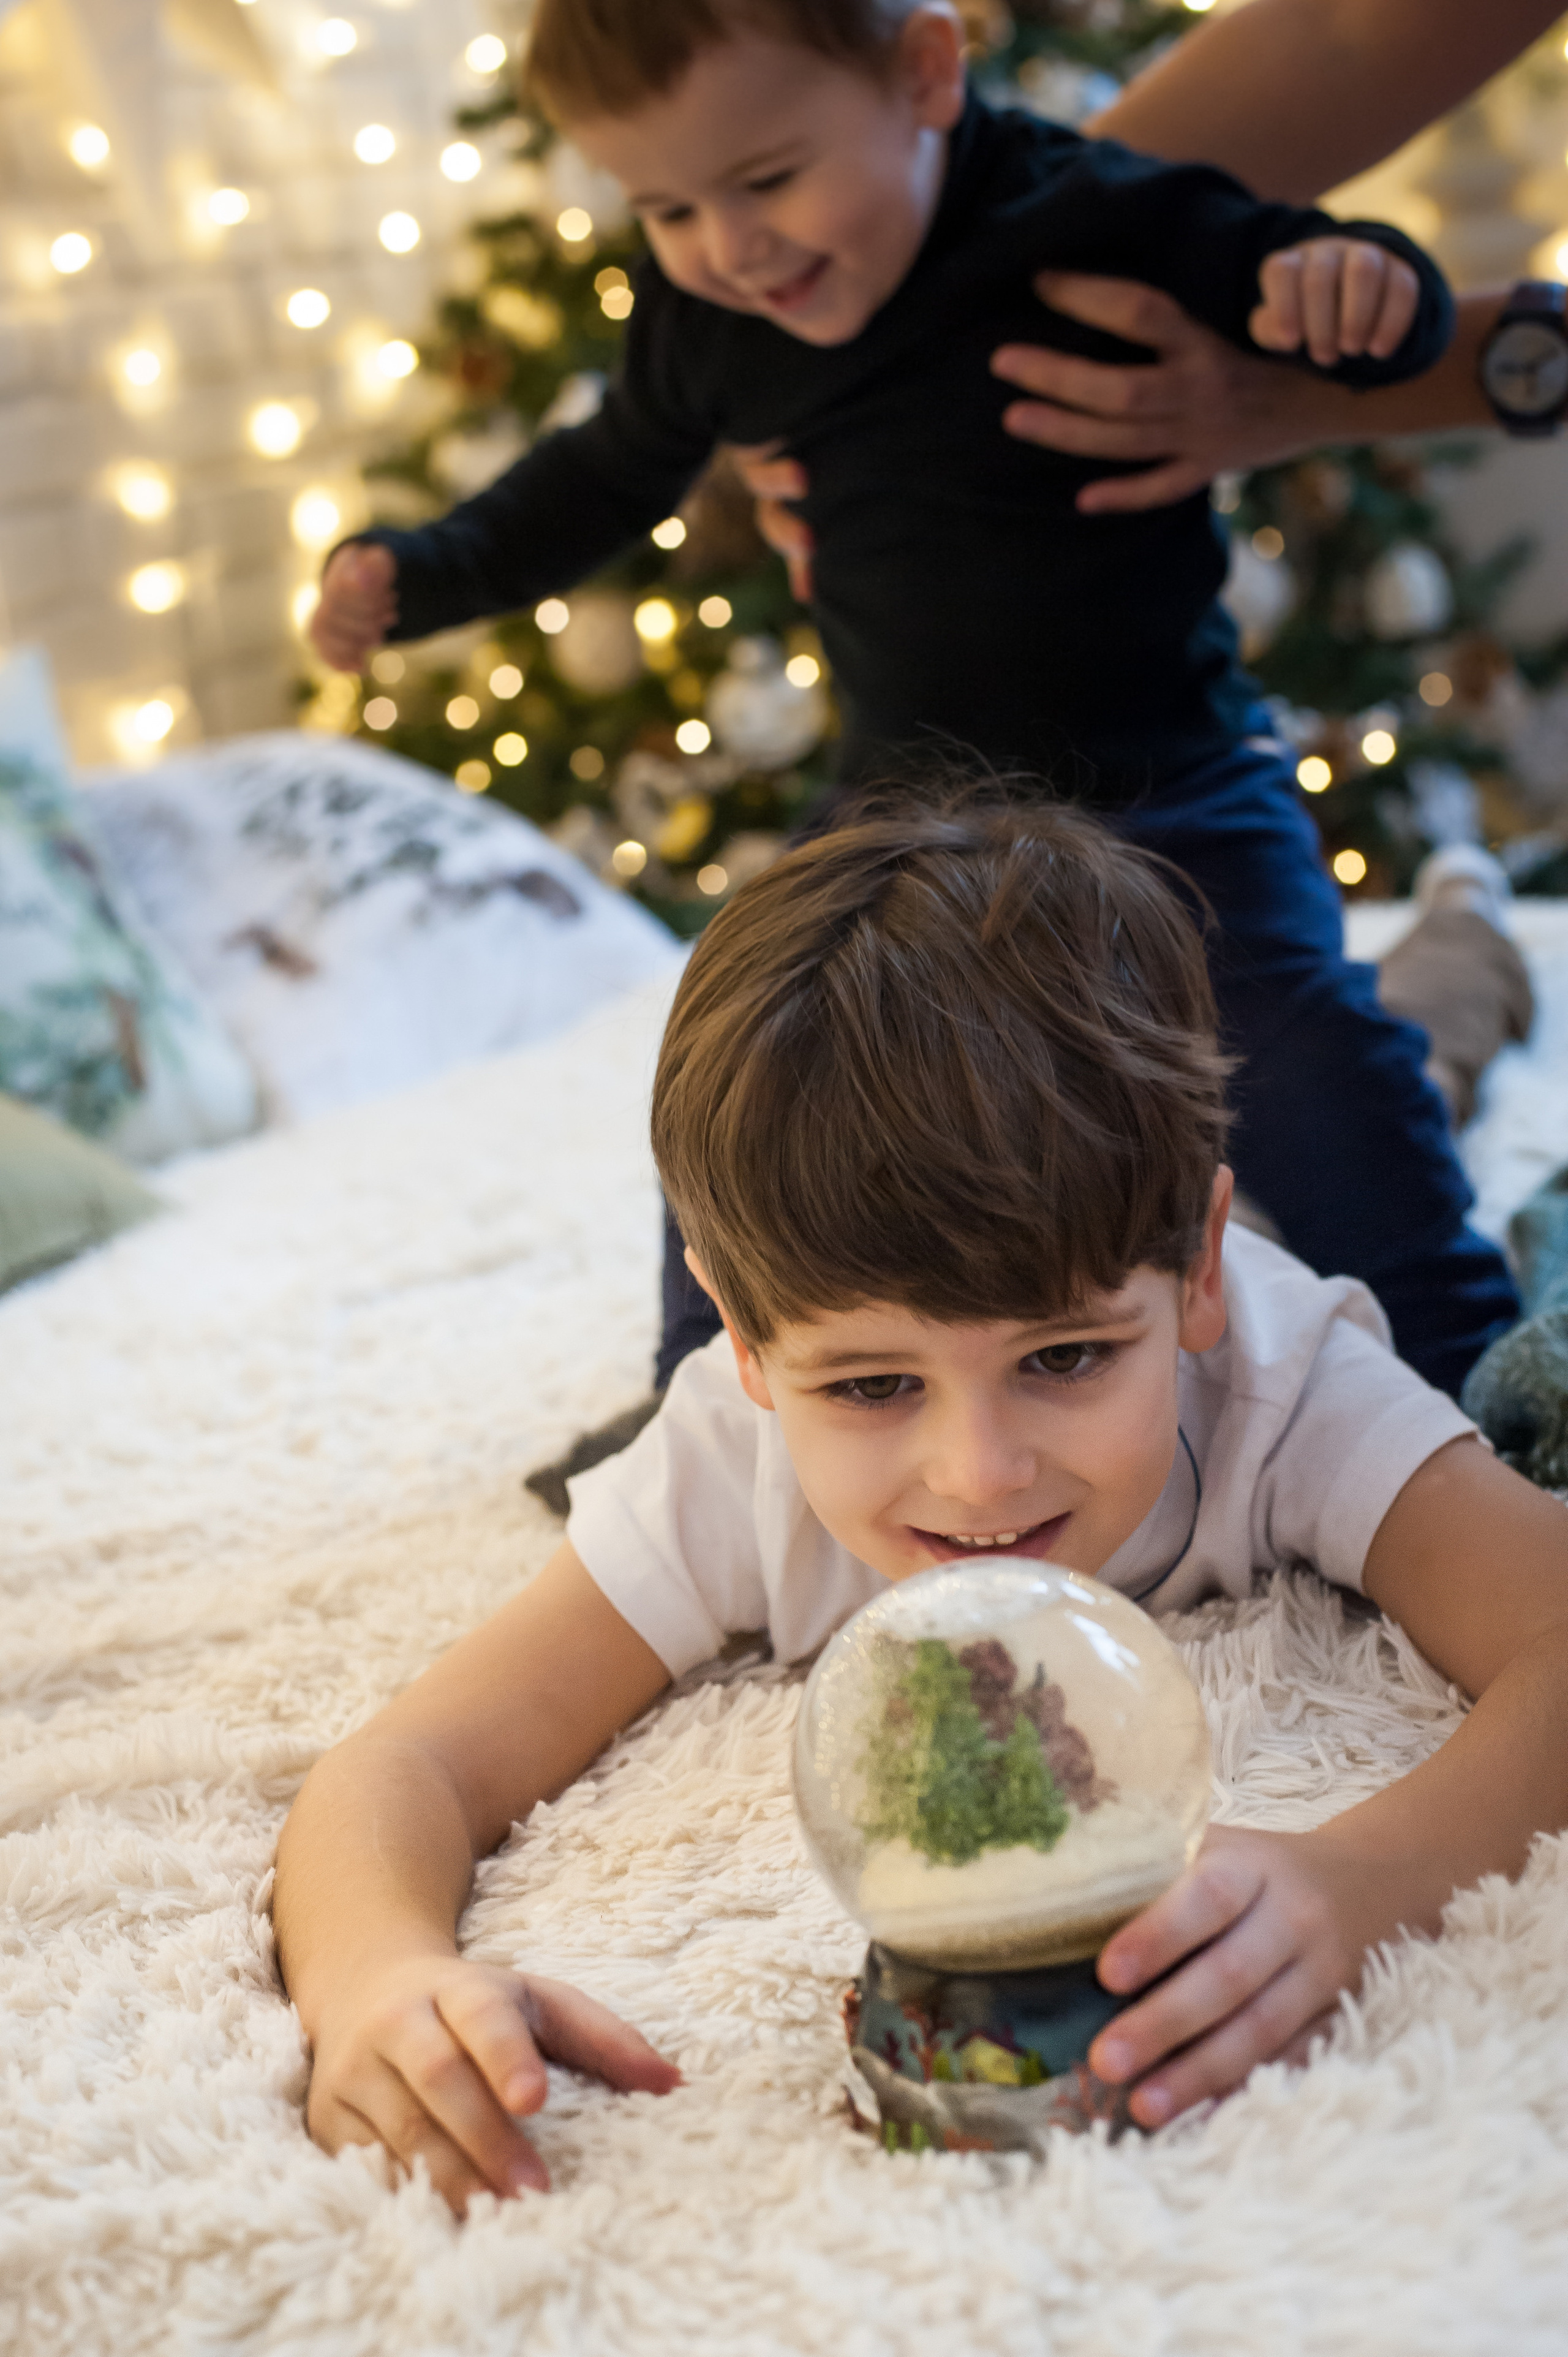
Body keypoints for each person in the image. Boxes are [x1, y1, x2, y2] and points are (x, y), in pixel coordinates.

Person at [272, 790, 1568, 2214]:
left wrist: (1363, 1875)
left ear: (1188, 1281)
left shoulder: (1284, 1369)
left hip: (1251, 1216)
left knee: (1418, 1075)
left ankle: (1462, 915)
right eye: (873, 1387)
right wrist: (378, 1974)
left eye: (1063, 1357)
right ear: (746, 1345)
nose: (980, 1473)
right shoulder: (723, 1449)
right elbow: (403, 1767)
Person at [311, 0, 1516, 1402]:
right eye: (666, 208)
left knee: (1306, 1052)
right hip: (904, 799)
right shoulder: (711, 309)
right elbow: (600, 476)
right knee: (745, 1057)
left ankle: (1463, 1358)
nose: (729, 246)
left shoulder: (1081, 205)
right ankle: (700, 1406)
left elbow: (1305, 279)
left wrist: (1363, 293)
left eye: (765, 181)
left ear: (925, 74)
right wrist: (422, 571)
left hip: (1167, 770)